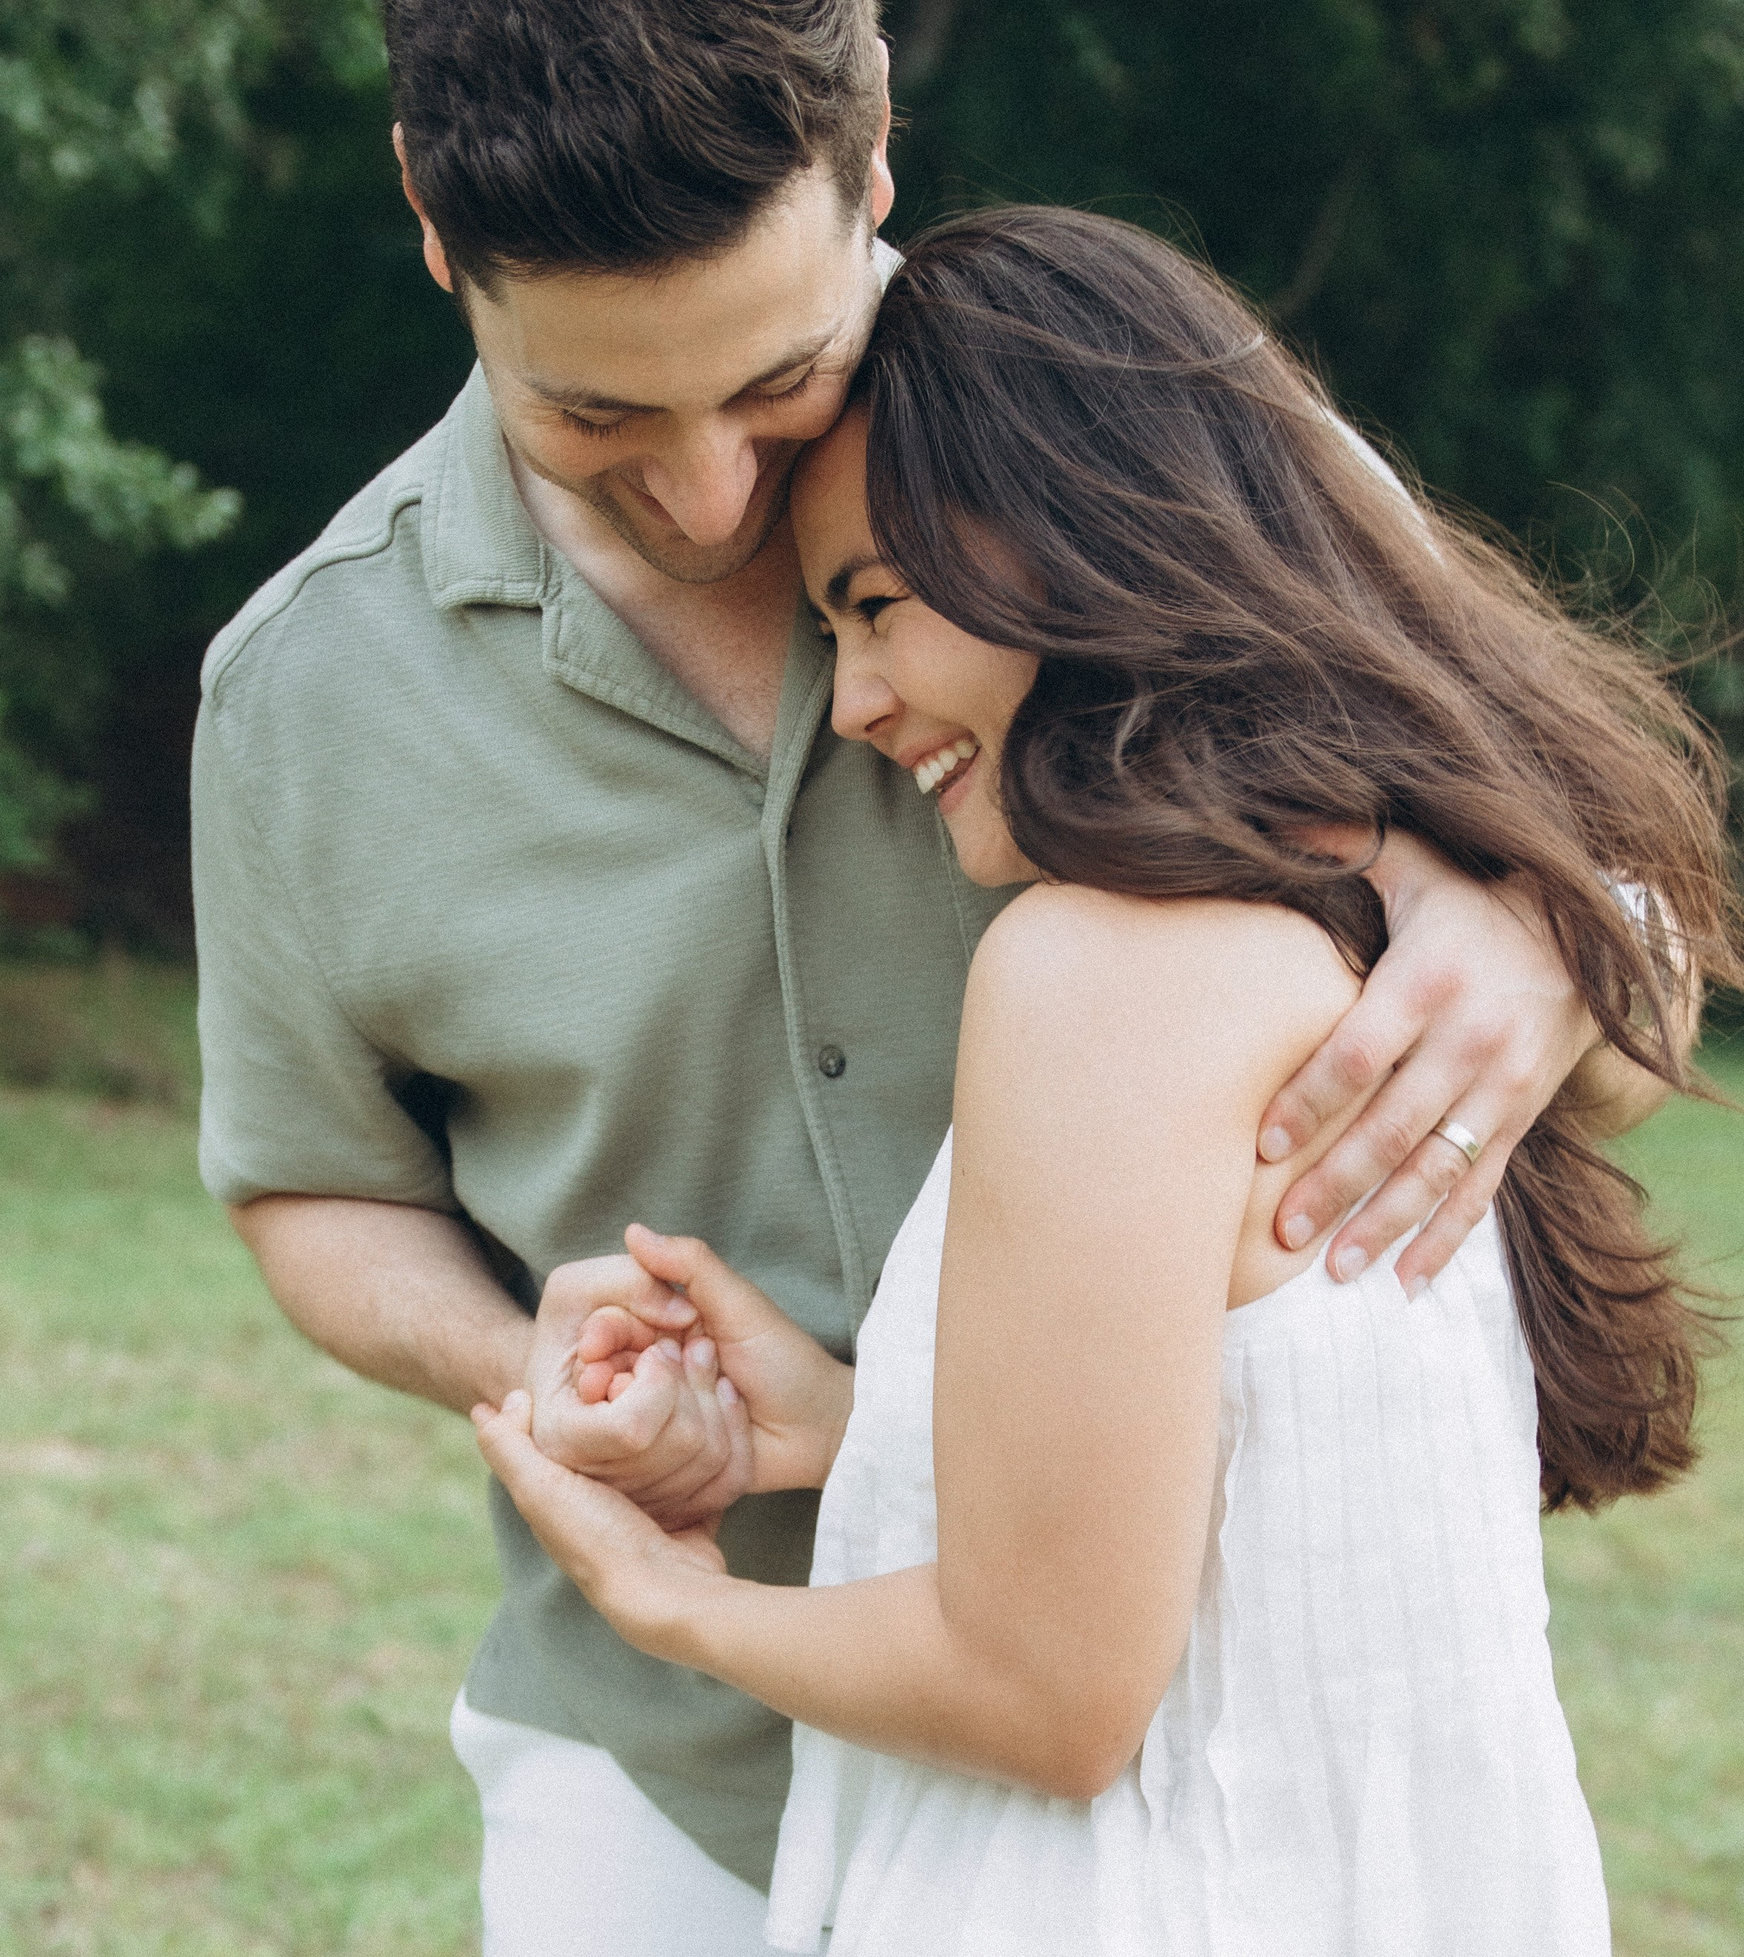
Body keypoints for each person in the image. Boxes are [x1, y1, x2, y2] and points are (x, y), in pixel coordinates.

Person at [192, 2, 1653, 1946]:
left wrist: (1551, 934)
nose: (709, 496)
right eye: (596, 415)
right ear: (431, 226)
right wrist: (537, 1365)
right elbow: (313, 1185)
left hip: (1213, 1784)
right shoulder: (306, 692)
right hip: (667, 1773)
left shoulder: (1178, 453)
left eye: (777, 384)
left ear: (870, 151)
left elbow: (1613, 938)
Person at [472, 204, 1736, 1954]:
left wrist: (666, 1600)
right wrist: (865, 1434)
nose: (851, 702)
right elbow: (1248, 1539)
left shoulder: (1106, 972)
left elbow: (1051, 1696)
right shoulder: (1391, 949)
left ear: (1077, 542)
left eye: (881, 606)